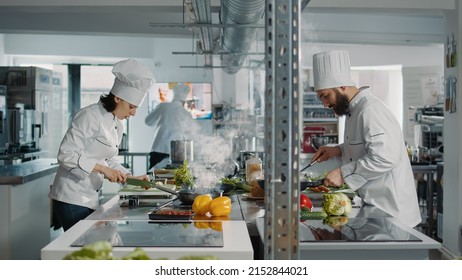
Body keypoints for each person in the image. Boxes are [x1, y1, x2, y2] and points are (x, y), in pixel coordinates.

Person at [310, 50, 421, 228]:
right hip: (376, 207)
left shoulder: (370, 110)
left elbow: (384, 157)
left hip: (393, 212)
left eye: (325, 95)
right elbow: (363, 148)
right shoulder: (353, 111)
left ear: (342, 86)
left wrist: (343, 173)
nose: (324, 103)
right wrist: (337, 150)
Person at [49, 58, 156, 231]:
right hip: (71, 197)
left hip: (89, 196)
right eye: (132, 106)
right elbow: (66, 155)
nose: (134, 113)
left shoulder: (116, 123)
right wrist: (102, 169)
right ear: (117, 98)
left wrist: (131, 179)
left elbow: (110, 160)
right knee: (83, 252)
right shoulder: (89, 116)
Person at [145, 83, 197, 169]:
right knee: (174, 178)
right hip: (177, 152)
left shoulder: (163, 106)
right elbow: (191, 135)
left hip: (159, 149)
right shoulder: (186, 114)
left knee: (156, 177)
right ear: (184, 101)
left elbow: (148, 121)